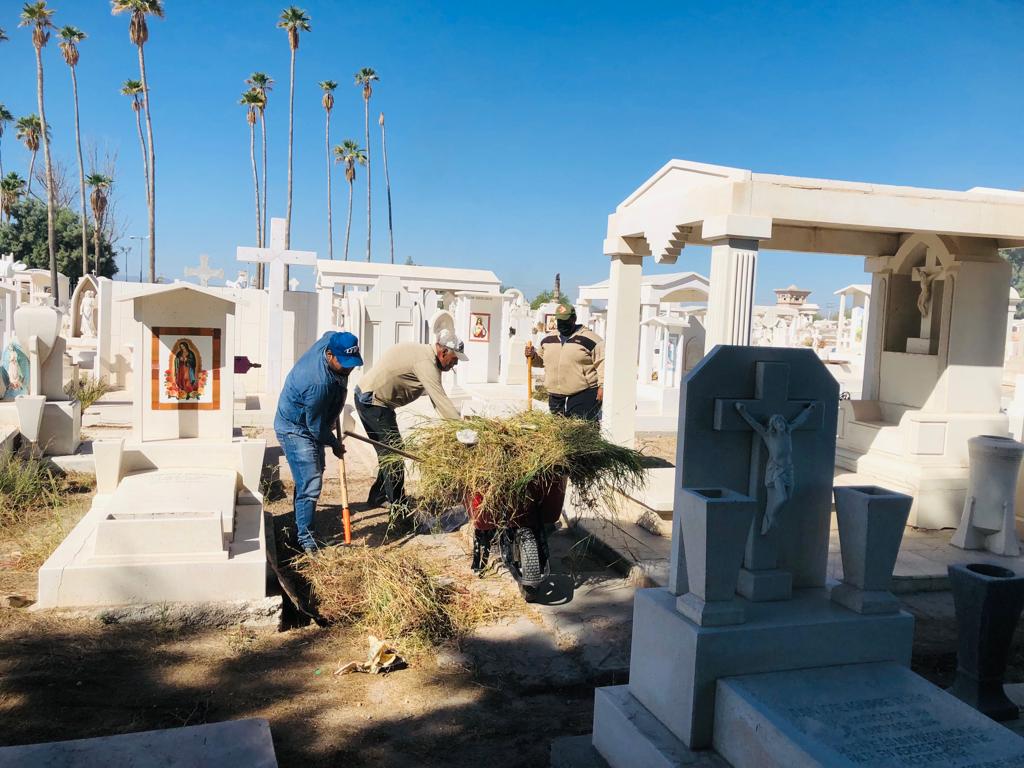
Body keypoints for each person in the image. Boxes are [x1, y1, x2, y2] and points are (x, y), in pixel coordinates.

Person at [355, 329, 467, 508]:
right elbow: (440, 400)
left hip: (373, 399)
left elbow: (437, 400)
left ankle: (379, 497)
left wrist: (456, 425)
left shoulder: (427, 357)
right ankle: (399, 508)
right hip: (373, 402)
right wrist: (463, 430)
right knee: (394, 453)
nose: (456, 363)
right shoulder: (426, 363)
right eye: (455, 358)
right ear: (444, 351)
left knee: (388, 452)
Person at [274, 331, 363, 553]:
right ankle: (305, 540)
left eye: (352, 363)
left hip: (314, 421)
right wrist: (335, 444)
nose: (349, 368)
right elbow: (315, 428)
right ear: (329, 355)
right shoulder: (317, 383)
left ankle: (300, 522)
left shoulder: (331, 342)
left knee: (312, 474)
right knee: (311, 480)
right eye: (344, 364)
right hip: (295, 427)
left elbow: (329, 333)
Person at [525, 304, 605, 421]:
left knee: (578, 427)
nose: (563, 324)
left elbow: (602, 363)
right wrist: (532, 356)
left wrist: (602, 386)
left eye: (566, 321)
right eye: (560, 321)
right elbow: (541, 361)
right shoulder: (548, 339)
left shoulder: (591, 339)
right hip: (555, 395)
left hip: (583, 393)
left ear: (574, 318)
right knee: (558, 429)